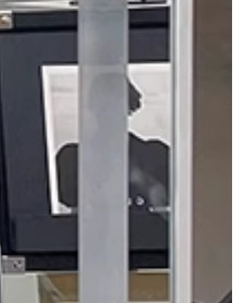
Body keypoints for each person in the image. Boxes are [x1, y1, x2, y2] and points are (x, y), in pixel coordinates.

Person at [53, 76, 172, 215]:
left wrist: (144, 181)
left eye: (115, 104)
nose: (108, 111)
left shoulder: (155, 154)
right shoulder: (70, 159)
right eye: (102, 105)